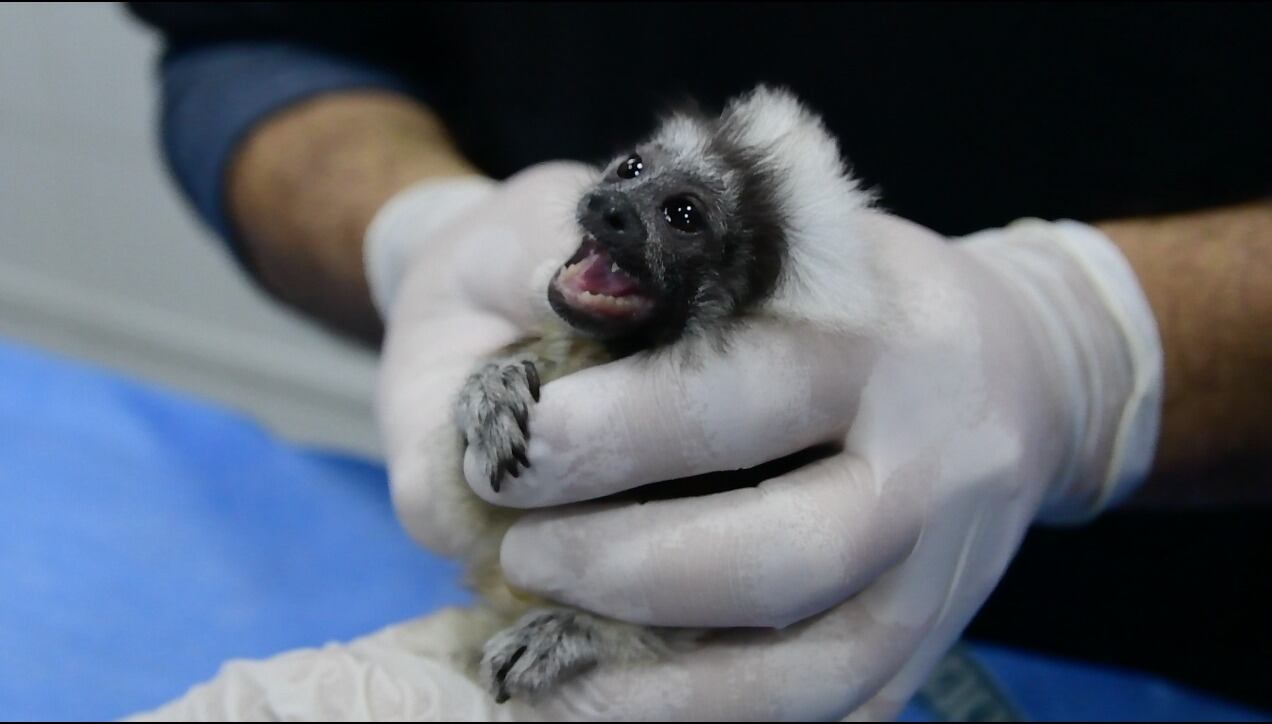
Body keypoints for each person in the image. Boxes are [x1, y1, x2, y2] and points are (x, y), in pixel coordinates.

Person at [124, 3, 1271, 720]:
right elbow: (250, 33)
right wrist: (414, 228)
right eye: (630, 171)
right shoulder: (576, 333)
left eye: (673, 214)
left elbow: (726, 581)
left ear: (741, 279)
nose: (614, 204)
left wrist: (1090, 343)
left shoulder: (784, 390)